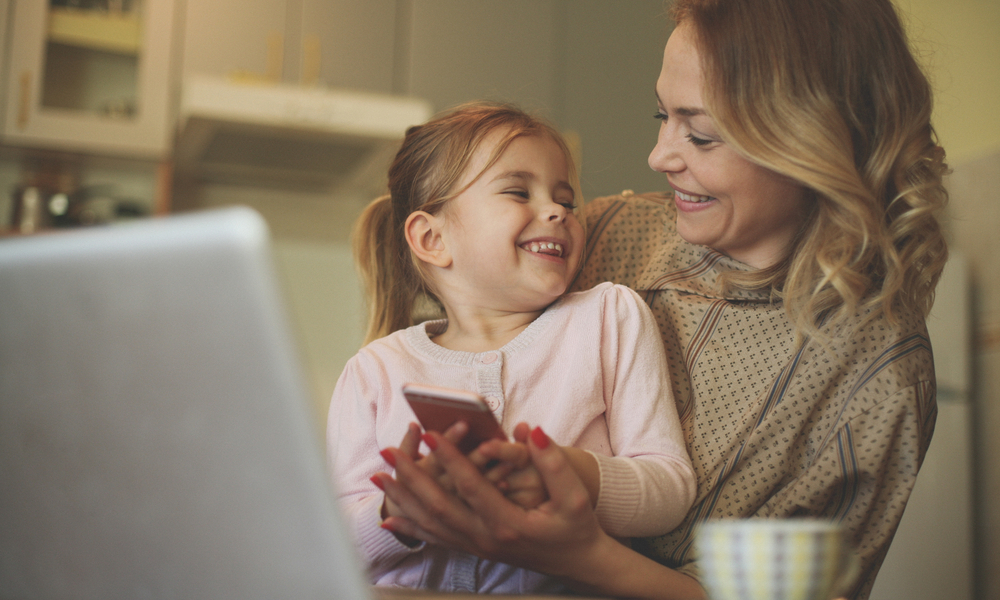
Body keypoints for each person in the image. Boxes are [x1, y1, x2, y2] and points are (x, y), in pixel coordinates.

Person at [372, 1, 949, 599]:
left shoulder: (880, 379)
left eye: (700, 134)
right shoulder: (609, 233)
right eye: (662, 115)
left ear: (815, 137)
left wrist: (584, 556)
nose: (659, 156)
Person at [327, 101, 696, 594]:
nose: (557, 211)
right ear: (432, 238)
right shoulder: (375, 369)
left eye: (565, 199)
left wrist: (576, 475)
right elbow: (333, 542)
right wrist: (398, 511)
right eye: (518, 192)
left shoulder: (609, 318)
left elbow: (670, 489)